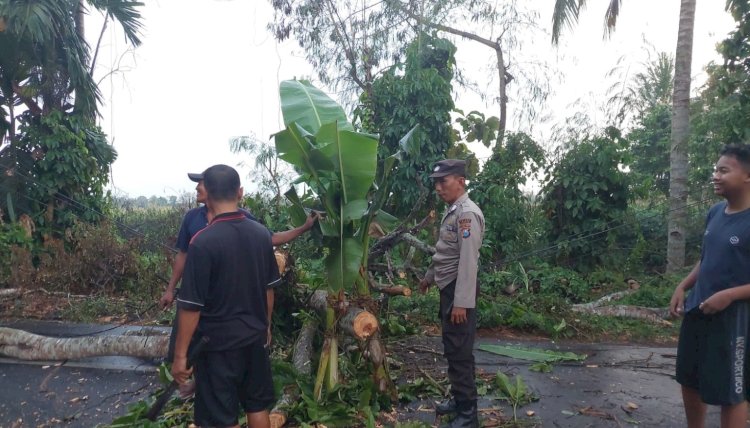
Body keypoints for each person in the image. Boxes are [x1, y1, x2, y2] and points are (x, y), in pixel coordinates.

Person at [171, 164, 278, 428]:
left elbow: (191, 307)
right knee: (257, 405)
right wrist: (266, 326)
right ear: (239, 192)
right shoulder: (261, 234)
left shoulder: (203, 242)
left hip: (217, 346)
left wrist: (180, 355)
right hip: (254, 338)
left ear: (207, 193)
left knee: (220, 416)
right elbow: (269, 288)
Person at [670, 144, 750, 428]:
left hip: (735, 320)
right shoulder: (715, 212)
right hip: (698, 309)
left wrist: (729, 295)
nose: (715, 175)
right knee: (689, 379)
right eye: (716, 170)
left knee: (733, 393)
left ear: (747, 177)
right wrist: (683, 286)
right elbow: (706, 260)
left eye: (724, 170)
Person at [160, 172, 316, 310]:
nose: (196, 188)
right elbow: (183, 255)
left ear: (213, 188)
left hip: (229, 299)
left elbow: (271, 239)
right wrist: (170, 289)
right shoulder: (191, 217)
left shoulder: (243, 217)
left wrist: (304, 228)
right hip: (198, 295)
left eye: (200, 184)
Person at [419, 159, 484, 428]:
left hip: (460, 291)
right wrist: (427, 278)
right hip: (449, 288)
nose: (438, 187)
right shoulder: (453, 211)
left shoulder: (467, 214)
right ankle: (459, 400)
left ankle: (469, 414)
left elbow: (468, 261)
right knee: (452, 348)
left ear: (460, 180)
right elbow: (444, 253)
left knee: (460, 351)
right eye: (436, 182)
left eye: (443, 181)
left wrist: (462, 303)